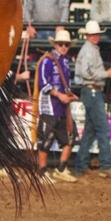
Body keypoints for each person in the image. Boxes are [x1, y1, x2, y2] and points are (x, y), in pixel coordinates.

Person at [73, 21, 111, 179]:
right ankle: (106, 165)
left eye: (96, 34)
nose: (95, 37)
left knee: (90, 131)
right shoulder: (89, 51)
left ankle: (81, 165)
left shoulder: (89, 49)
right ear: (88, 35)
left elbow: (85, 72)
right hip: (92, 90)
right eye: (93, 34)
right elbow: (86, 72)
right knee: (103, 129)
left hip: (92, 91)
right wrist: (106, 74)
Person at [34, 28, 77, 183]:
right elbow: (43, 83)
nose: (64, 47)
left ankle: (61, 169)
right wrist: (60, 95)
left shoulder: (65, 62)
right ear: (56, 45)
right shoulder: (47, 61)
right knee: (46, 139)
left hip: (62, 107)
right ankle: (42, 172)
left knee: (70, 137)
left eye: (66, 44)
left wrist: (69, 95)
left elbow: (66, 84)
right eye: (61, 44)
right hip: (49, 106)